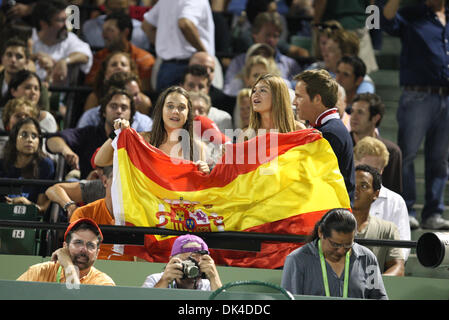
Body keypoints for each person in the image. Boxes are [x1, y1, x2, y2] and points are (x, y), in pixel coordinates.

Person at [381, 0, 449, 230]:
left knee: (439, 159)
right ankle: (407, 209)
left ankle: (433, 213)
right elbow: (384, 21)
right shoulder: (412, 14)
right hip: (417, 94)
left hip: (446, 96)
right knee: (407, 155)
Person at [95, 86, 210, 174]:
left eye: (181, 107)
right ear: (161, 110)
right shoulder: (143, 140)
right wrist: (118, 133)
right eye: (170, 106)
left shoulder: (198, 147)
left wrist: (205, 173)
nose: (175, 111)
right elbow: (100, 161)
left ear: (188, 113)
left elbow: (200, 190)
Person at [281, 208, 388, 299]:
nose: (341, 251)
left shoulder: (367, 259)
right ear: (320, 233)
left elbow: (378, 297)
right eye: (335, 244)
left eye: (347, 245)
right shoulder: (297, 260)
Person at [293, 69, 355, 204]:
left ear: (317, 99)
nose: (294, 102)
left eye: (299, 97)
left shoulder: (329, 134)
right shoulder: (328, 129)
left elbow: (308, 180)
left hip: (331, 218)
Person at [46, 88, 135, 180]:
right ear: (104, 112)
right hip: (87, 188)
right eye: (113, 106)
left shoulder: (136, 140)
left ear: (131, 114)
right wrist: (66, 151)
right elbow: (52, 140)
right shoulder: (89, 133)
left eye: (124, 108)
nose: (119, 111)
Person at [353, 136, 411, 259]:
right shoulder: (339, 194)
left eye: (374, 170)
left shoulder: (396, 202)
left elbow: (403, 248)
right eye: (364, 168)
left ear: (382, 170)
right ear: (354, 163)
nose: (368, 174)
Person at [142, 0, 215, 93]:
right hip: (191, 68)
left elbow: (146, 25)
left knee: (165, 105)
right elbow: (185, 23)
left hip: (166, 68)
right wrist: (204, 54)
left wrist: (166, 46)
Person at [17, 218, 116, 286]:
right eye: (78, 243)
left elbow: (75, 295)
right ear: (65, 246)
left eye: (90, 245)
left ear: (97, 253)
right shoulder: (39, 272)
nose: (84, 249)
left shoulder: (103, 283)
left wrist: (68, 265)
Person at [69, 166, 136, 261]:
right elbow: (75, 252)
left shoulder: (140, 217)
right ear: (105, 181)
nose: (122, 183)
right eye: (118, 177)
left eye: (127, 178)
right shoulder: (83, 214)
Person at [224, 11, 302, 88]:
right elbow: (228, 91)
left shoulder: (290, 65)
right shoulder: (238, 63)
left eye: (275, 36)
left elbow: (299, 93)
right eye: (267, 35)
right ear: (255, 34)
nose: (271, 40)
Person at [353, 164, 405, 276]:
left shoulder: (387, 229)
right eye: (352, 184)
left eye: (363, 186)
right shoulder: (329, 225)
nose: (355, 190)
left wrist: (375, 286)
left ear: (376, 194)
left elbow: (398, 267)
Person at [84, 11, 155, 92]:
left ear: (125, 32)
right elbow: (92, 86)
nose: (103, 35)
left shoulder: (145, 59)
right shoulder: (99, 57)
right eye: (103, 30)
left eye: (110, 30)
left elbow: (145, 91)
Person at [350, 93, 402, 195]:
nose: (353, 117)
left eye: (360, 112)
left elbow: (393, 192)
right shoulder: (341, 146)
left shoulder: (391, 151)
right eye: (352, 111)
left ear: (375, 118)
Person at [31, 0, 93, 85]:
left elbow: (85, 55)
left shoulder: (69, 38)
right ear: (44, 24)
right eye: (60, 20)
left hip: (57, 94)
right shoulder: (28, 36)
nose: (67, 25)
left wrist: (64, 61)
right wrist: (34, 57)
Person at [0, 117, 54, 213]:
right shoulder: (2, 163)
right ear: (14, 138)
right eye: (24, 135)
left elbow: (42, 207)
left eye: (34, 136)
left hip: (30, 221)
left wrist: (27, 204)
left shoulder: (45, 165)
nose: (29, 140)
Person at [238, 73, 304, 142]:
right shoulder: (245, 135)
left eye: (263, 90)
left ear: (277, 97)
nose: (255, 94)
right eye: (254, 90)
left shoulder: (298, 130)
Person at [141, 234, 222, 290]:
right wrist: (164, 281)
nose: (192, 268)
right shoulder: (155, 280)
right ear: (171, 261)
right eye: (187, 262)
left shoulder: (209, 286)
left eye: (197, 263)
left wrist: (214, 277)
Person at [78, 71, 153, 131]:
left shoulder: (144, 122)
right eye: (134, 95)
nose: (139, 100)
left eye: (138, 94)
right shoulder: (90, 118)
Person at [181, 64, 233, 135]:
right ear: (182, 87)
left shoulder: (222, 118)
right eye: (191, 85)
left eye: (201, 86)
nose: (196, 90)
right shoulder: (173, 115)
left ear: (208, 89)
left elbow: (225, 145)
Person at [81, 0, 150, 51]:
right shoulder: (90, 26)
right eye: (113, 9)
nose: (117, 14)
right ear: (105, 8)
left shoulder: (141, 29)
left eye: (121, 10)